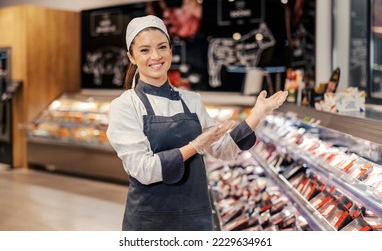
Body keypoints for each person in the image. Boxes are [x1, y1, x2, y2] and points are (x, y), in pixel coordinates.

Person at [106, 15, 288, 231]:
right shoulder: (125, 105)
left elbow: (224, 150)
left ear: (171, 50)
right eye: (145, 50)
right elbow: (143, 170)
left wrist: (257, 113)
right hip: (151, 221)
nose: (156, 56)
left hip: (196, 217)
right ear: (132, 57)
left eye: (162, 47)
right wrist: (195, 146)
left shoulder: (191, 100)